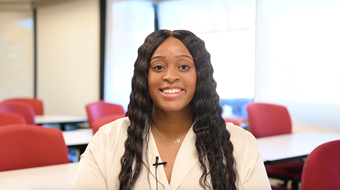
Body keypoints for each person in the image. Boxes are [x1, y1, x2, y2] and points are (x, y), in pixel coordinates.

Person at [72, 30, 271, 190]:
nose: (170, 76)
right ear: (144, 77)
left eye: (184, 66)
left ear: (200, 76)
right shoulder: (106, 141)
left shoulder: (241, 143)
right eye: (158, 67)